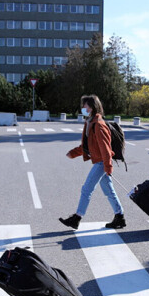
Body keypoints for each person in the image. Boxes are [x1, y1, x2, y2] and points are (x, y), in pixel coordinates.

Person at [59, 94, 126, 230]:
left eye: (85, 105)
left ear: (92, 107)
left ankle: (77, 218)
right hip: (100, 161)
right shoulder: (90, 122)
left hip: (102, 162)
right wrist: (73, 153)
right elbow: (88, 146)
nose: (83, 108)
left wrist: (108, 166)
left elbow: (106, 148)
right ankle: (120, 217)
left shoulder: (99, 125)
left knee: (87, 189)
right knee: (109, 191)